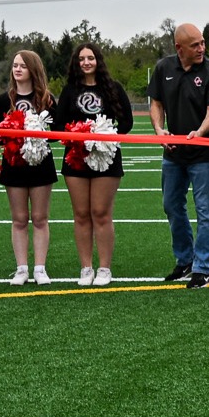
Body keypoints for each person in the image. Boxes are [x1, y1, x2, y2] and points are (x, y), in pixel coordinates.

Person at [147, 23, 209, 289]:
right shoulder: (163, 69)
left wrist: (199, 132)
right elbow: (156, 103)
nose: (202, 48)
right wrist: (160, 131)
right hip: (173, 155)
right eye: (195, 45)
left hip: (203, 154)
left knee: (205, 211)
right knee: (171, 205)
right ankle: (185, 260)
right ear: (179, 48)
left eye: (203, 43)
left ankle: (202, 268)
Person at [54, 42, 133, 287]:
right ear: (76, 63)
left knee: (101, 213)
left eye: (90, 58)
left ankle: (105, 269)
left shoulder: (113, 89)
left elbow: (126, 123)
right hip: (76, 159)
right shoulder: (69, 91)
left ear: (98, 61)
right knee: (80, 214)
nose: (86, 62)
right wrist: (79, 135)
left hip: (105, 159)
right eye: (81, 59)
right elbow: (57, 128)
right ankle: (86, 267)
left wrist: (104, 136)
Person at [0, 50, 58, 286]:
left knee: (40, 218)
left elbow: (56, 133)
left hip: (41, 164)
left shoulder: (47, 99)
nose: (17, 69)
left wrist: (36, 136)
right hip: (14, 164)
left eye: (22, 65)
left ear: (33, 69)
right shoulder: (3, 100)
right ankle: (21, 269)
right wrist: (12, 135)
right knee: (19, 218)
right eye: (14, 65)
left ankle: (40, 268)